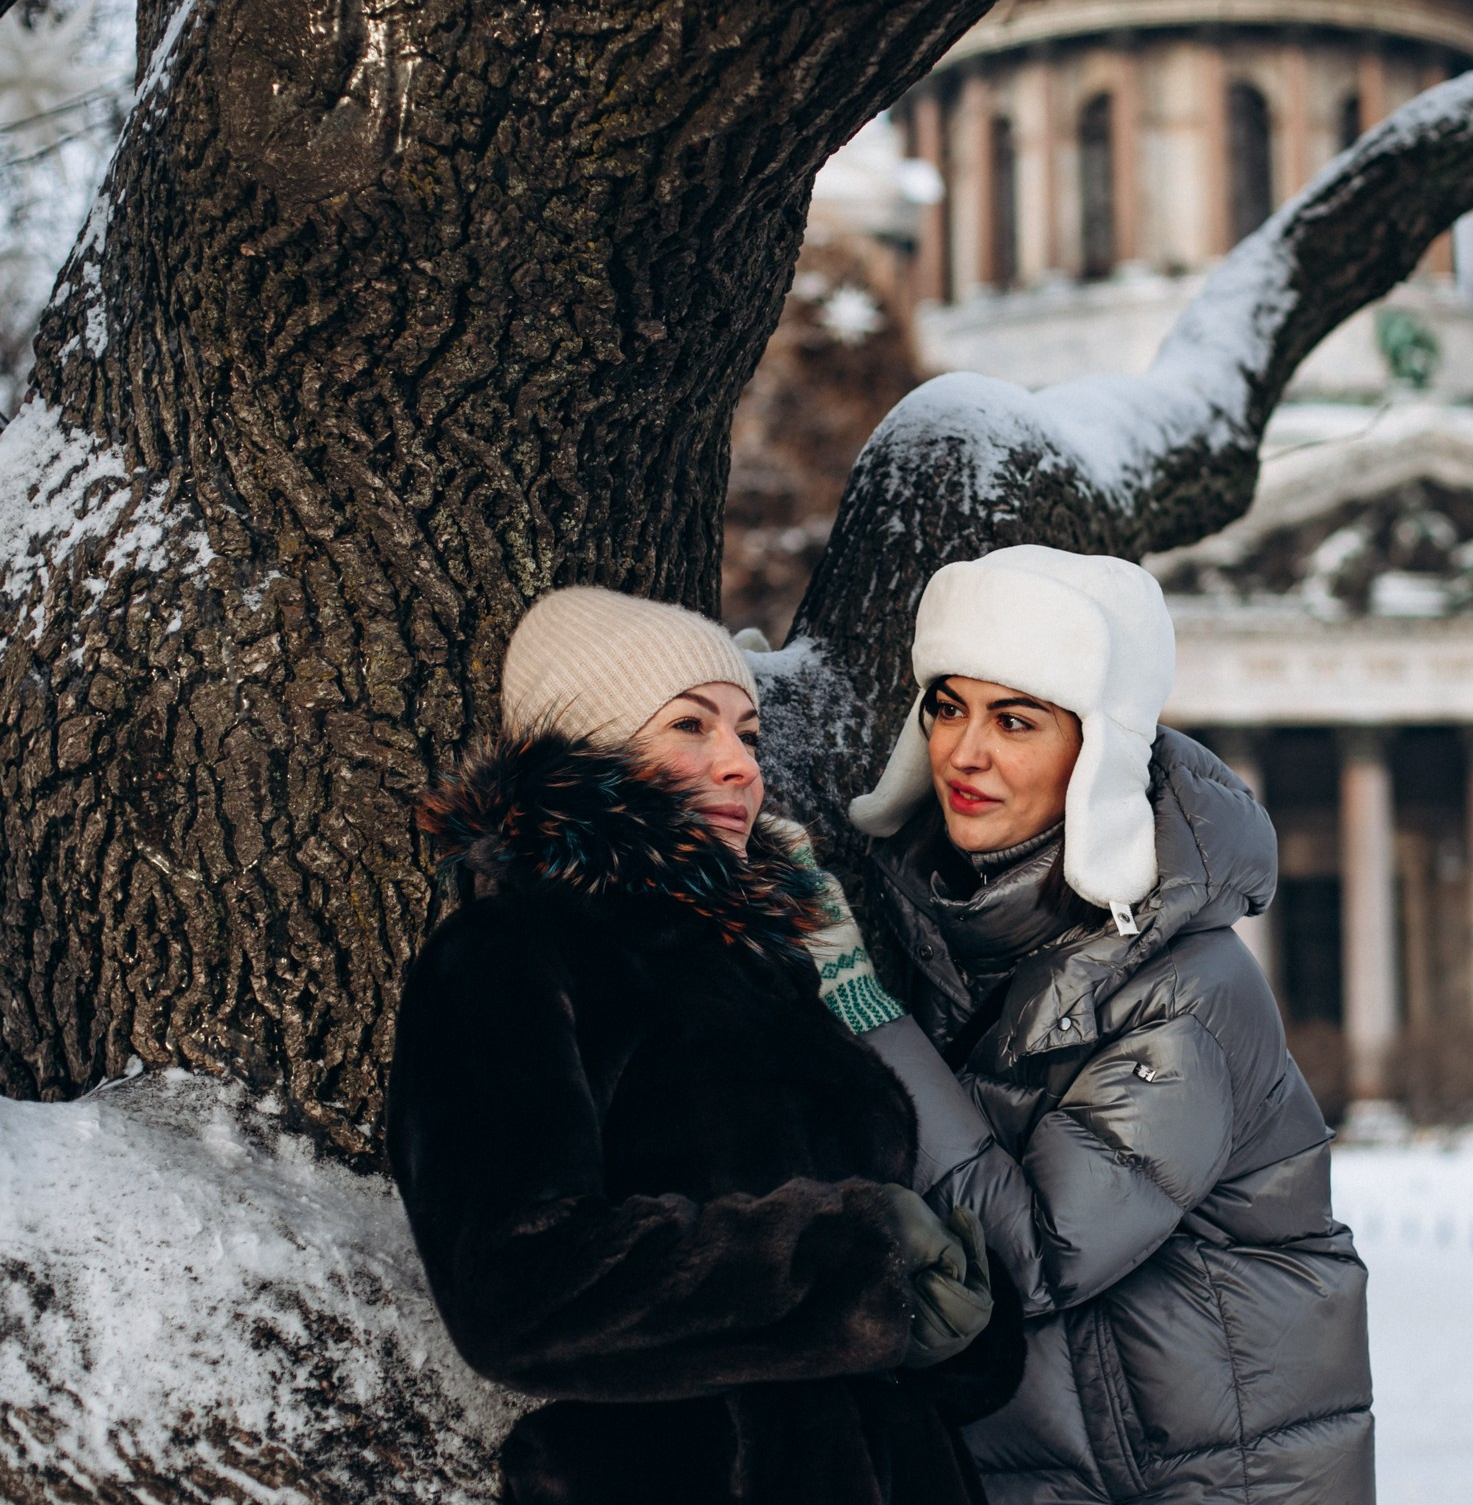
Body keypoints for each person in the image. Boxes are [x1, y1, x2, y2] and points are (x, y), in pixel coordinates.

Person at [387, 586, 1019, 1505]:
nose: (739, 767)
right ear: (589, 754)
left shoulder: (762, 969)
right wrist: (856, 1261)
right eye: (691, 725)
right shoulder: (508, 957)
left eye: (749, 735)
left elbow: (868, 1307)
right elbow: (518, 1292)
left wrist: (962, 1328)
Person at [829, 545, 1375, 1505]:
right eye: (947, 706)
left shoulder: (1187, 992)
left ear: (1098, 754)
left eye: (1017, 720)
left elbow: (1029, 1258)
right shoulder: (961, 929)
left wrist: (863, 1014)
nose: (966, 751)